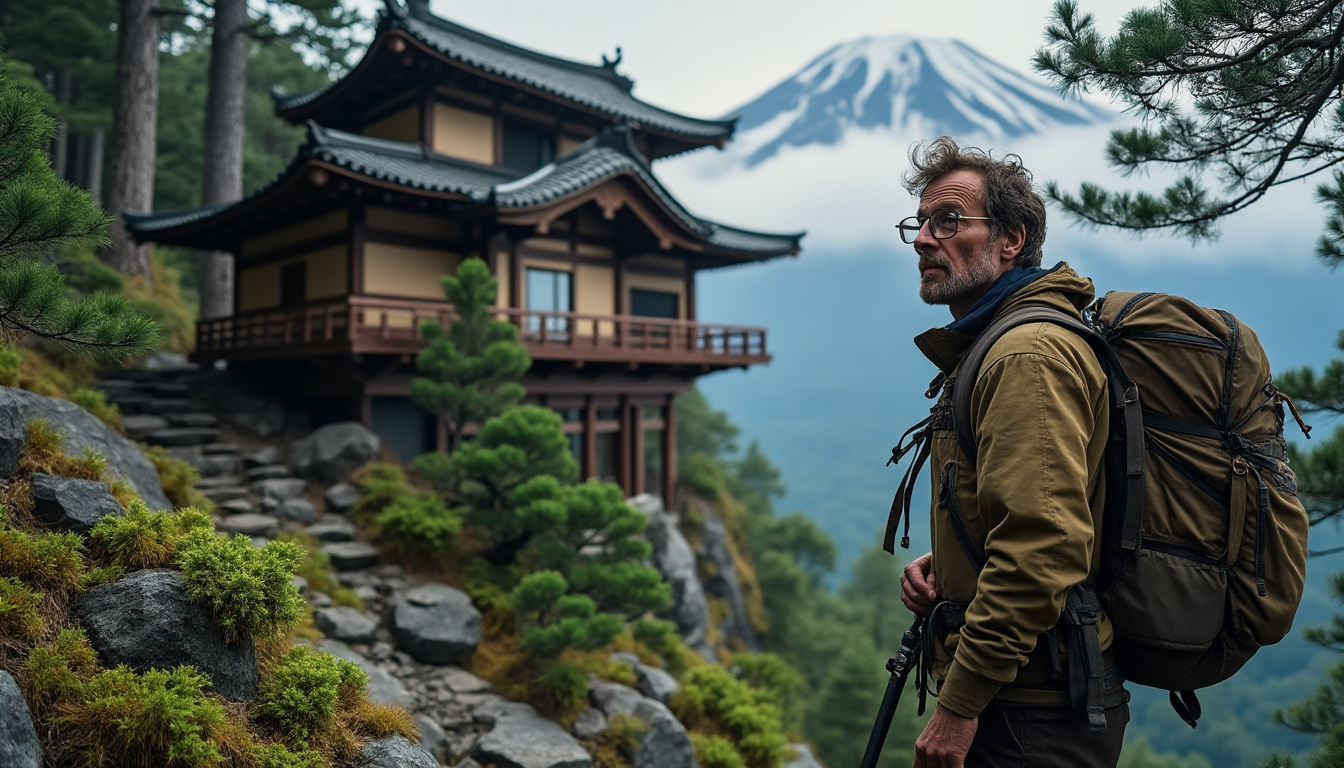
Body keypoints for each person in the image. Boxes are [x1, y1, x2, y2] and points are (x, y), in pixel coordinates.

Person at [895, 136, 1128, 768]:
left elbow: (1041, 547)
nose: (922, 238)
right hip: (1028, 692)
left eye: (948, 220)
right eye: (918, 223)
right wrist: (957, 560)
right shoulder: (996, 343)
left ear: (1012, 239)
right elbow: (1027, 516)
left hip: (1032, 710)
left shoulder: (1025, 355)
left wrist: (958, 707)